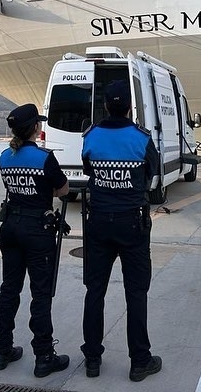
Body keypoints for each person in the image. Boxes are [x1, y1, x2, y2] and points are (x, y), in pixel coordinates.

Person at [80, 80, 162, 382]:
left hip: (98, 221)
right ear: (130, 107)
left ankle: (92, 358)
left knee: (95, 291)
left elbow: (88, 169)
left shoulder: (92, 136)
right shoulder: (140, 138)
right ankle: (140, 361)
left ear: (104, 106)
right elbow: (151, 171)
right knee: (136, 293)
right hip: (132, 223)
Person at [0, 103, 71, 378]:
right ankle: (44, 356)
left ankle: (2, 350)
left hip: (11, 227)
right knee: (40, 293)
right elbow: (63, 189)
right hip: (37, 229)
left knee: (9, 289)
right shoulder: (44, 158)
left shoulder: (5, 157)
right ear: (36, 129)